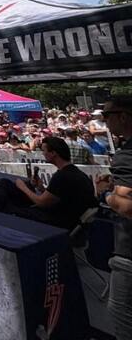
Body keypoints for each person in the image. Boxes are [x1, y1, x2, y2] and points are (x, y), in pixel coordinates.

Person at [0, 137, 97, 231]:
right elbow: (57, 197)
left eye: (44, 151)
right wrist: (40, 188)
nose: (43, 154)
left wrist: (23, 187)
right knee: (4, 184)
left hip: (55, 221)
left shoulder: (62, 177)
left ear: (53, 153)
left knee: (7, 203)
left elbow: (42, 202)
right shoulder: (77, 174)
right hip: (64, 216)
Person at [102, 96, 132, 338]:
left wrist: (107, 196)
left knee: (122, 317)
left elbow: (125, 206)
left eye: (107, 115)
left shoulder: (126, 155)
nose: (104, 121)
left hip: (129, 255)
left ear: (123, 116)